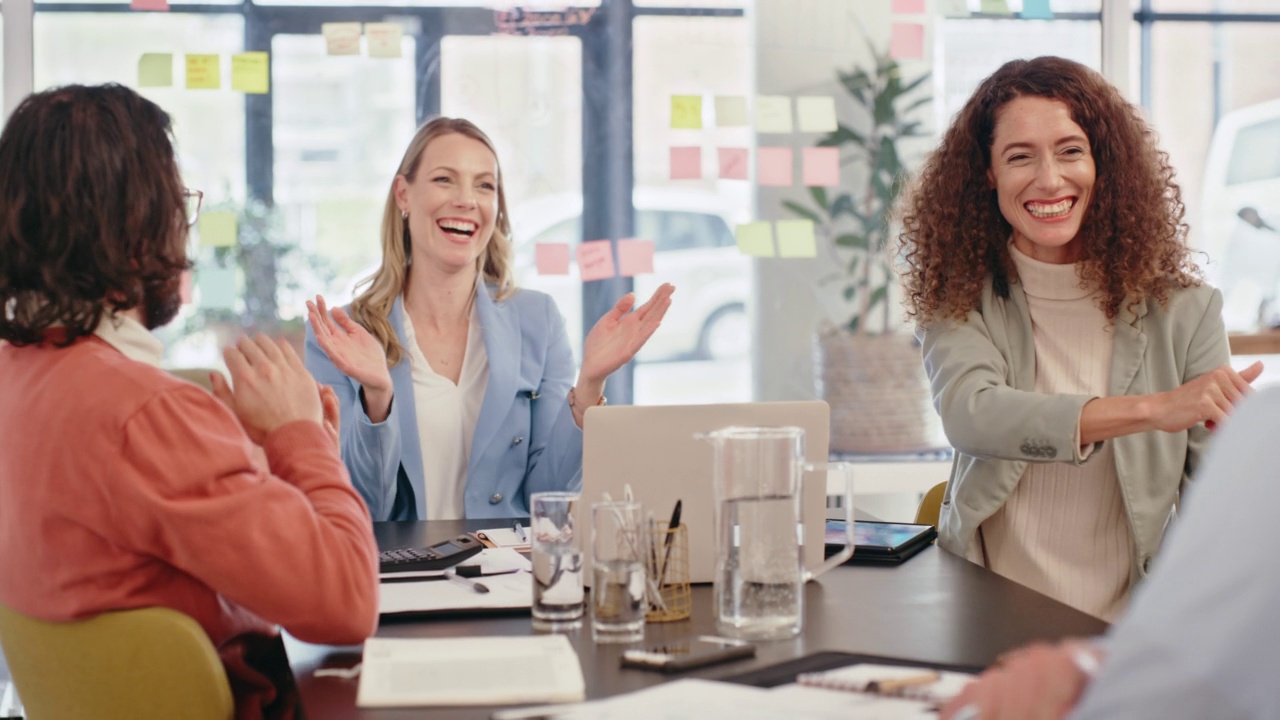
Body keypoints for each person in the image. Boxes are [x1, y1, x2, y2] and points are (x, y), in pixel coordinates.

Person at [0, 84, 378, 718]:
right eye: (177, 204)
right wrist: (299, 437)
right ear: (138, 229)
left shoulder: (22, 378)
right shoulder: (144, 413)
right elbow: (347, 604)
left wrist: (250, 456)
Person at [895, 56, 1263, 621]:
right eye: (1020, 157)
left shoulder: (1186, 312)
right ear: (988, 173)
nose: (1049, 179)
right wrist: (1152, 409)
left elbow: (1214, 506)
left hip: (1130, 630)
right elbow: (973, 414)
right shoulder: (961, 297)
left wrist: (1253, 447)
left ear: (1102, 163)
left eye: (1070, 150)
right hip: (983, 613)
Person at [306, 117, 674, 522]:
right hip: (400, 581)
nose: (467, 200)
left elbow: (549, 501)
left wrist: (589, 385)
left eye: (485, 185)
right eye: (445, 179)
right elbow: (361, 510)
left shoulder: (539, 320)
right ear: (403, 194)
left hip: (505, 576)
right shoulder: (341, 335)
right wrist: (377, 396)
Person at [940, 383, 1280, 720]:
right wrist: (1101, 664)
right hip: (1004, 608)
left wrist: (1106, 672)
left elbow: (1196, 672)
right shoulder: (1262, 424)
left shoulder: (1265, 427)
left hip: (1117, 630)